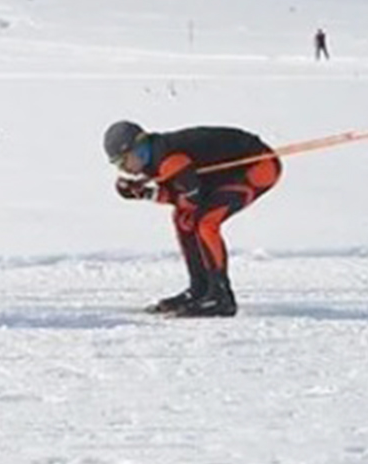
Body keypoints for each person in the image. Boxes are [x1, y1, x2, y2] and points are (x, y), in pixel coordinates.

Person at [103, 119, 281, 318]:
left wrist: (147, 193)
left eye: (122, 161)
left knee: (205, 221)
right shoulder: (153, 160)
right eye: (117, 165)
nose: (124, 170)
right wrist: (144, 193)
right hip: (225, 174)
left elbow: (191, 198)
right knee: (183, 219)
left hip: (259, 166)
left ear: (138, 150)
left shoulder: (168, 159)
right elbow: (180, 195)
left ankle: (221, 296)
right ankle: (200, 289)